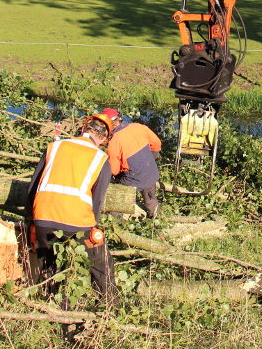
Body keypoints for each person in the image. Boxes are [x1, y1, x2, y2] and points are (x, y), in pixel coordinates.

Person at [26, 113, 119, 303]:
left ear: (83, 129)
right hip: (77, 222)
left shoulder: (55, 146)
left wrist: (31, 221)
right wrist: (94, 227)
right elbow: (97, 201)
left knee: (47, 263)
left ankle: (38, 302)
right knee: (101, 263)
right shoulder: (101, 159)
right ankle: (111, 308)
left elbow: (32, 187)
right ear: (104, 139)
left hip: (43, 215)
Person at [102, 108, 163, 218]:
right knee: (151, 199)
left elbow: (114, 170)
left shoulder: (115, 141)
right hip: (151, 172)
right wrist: (148, 160)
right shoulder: (138, 127)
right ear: (120, 118)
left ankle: (115, 224)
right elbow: (157, 144)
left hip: (133, 177)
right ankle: (158, 221)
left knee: (117, 203)